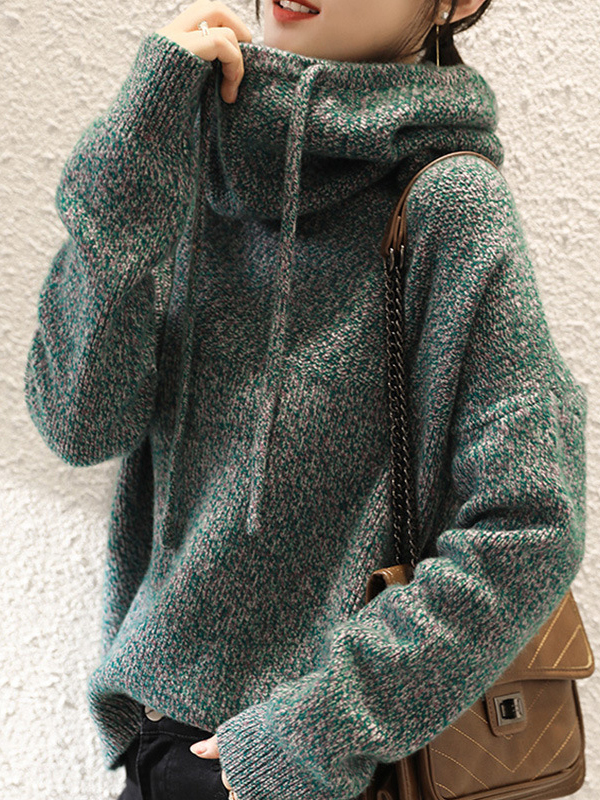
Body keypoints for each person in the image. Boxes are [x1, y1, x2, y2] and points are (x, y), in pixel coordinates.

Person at [23, 0, 588, 798]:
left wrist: (313, 735)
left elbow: (531, 525)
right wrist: (133, 159)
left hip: (313, 773)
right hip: (159, 745)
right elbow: (78, 423)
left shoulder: (449, 206)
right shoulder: (188, 164)